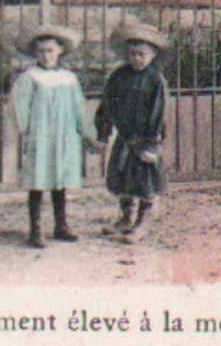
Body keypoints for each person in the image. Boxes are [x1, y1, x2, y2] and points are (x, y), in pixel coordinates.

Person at [9, 25, 98, 249]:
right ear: (34, 53)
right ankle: (35, 229)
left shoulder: (68, 78)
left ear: (60, 51)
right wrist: (26, 132)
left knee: (60, 179)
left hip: (64, 134)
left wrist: (82, 130)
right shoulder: (29, 77)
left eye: (50, 50)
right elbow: (19, 107)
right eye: (40, 51)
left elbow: (78, 105)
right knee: (38, 180)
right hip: (41, 134)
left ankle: (61, 225)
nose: (46, 56)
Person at [96, 24, 170, 245]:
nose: (136, 58)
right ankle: (125, 217)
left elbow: (159, 113)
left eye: (141, 54)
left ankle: (142, 221)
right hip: (125, 138)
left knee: (145, 180)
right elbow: (107, 104)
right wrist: (104, 130)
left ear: (153, 54)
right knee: (122, 177)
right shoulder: (119, 76)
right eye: (132, 54)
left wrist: (151, 143)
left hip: (145, 138)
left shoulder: (155, 80)